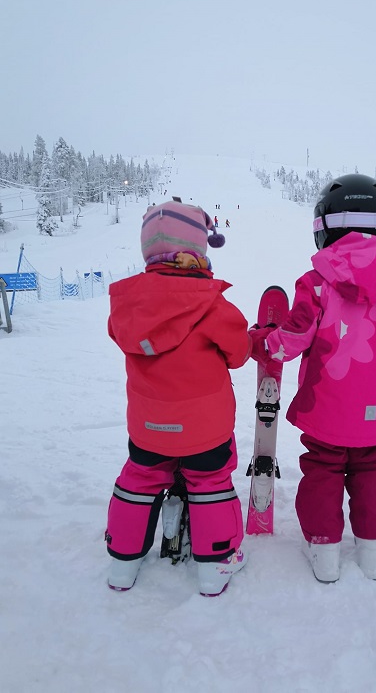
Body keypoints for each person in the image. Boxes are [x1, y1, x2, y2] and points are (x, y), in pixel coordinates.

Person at [249, 174, 376, 583]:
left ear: (324, 228)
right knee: (371, 470)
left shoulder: (317, 285)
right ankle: (373, 553)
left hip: (326, 409)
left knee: (323, 471)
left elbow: (292, 338)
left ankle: (324, 553)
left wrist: (260, 342)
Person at [105, 200, 251, 596]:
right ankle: (217, 566)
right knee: (209, 481)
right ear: (199, 249)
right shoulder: (211, 303)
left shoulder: (128, 304)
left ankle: (122, 561)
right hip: (205, 431)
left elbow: (120, 336)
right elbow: (239, 354)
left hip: (148, 430)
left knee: (140, 479)